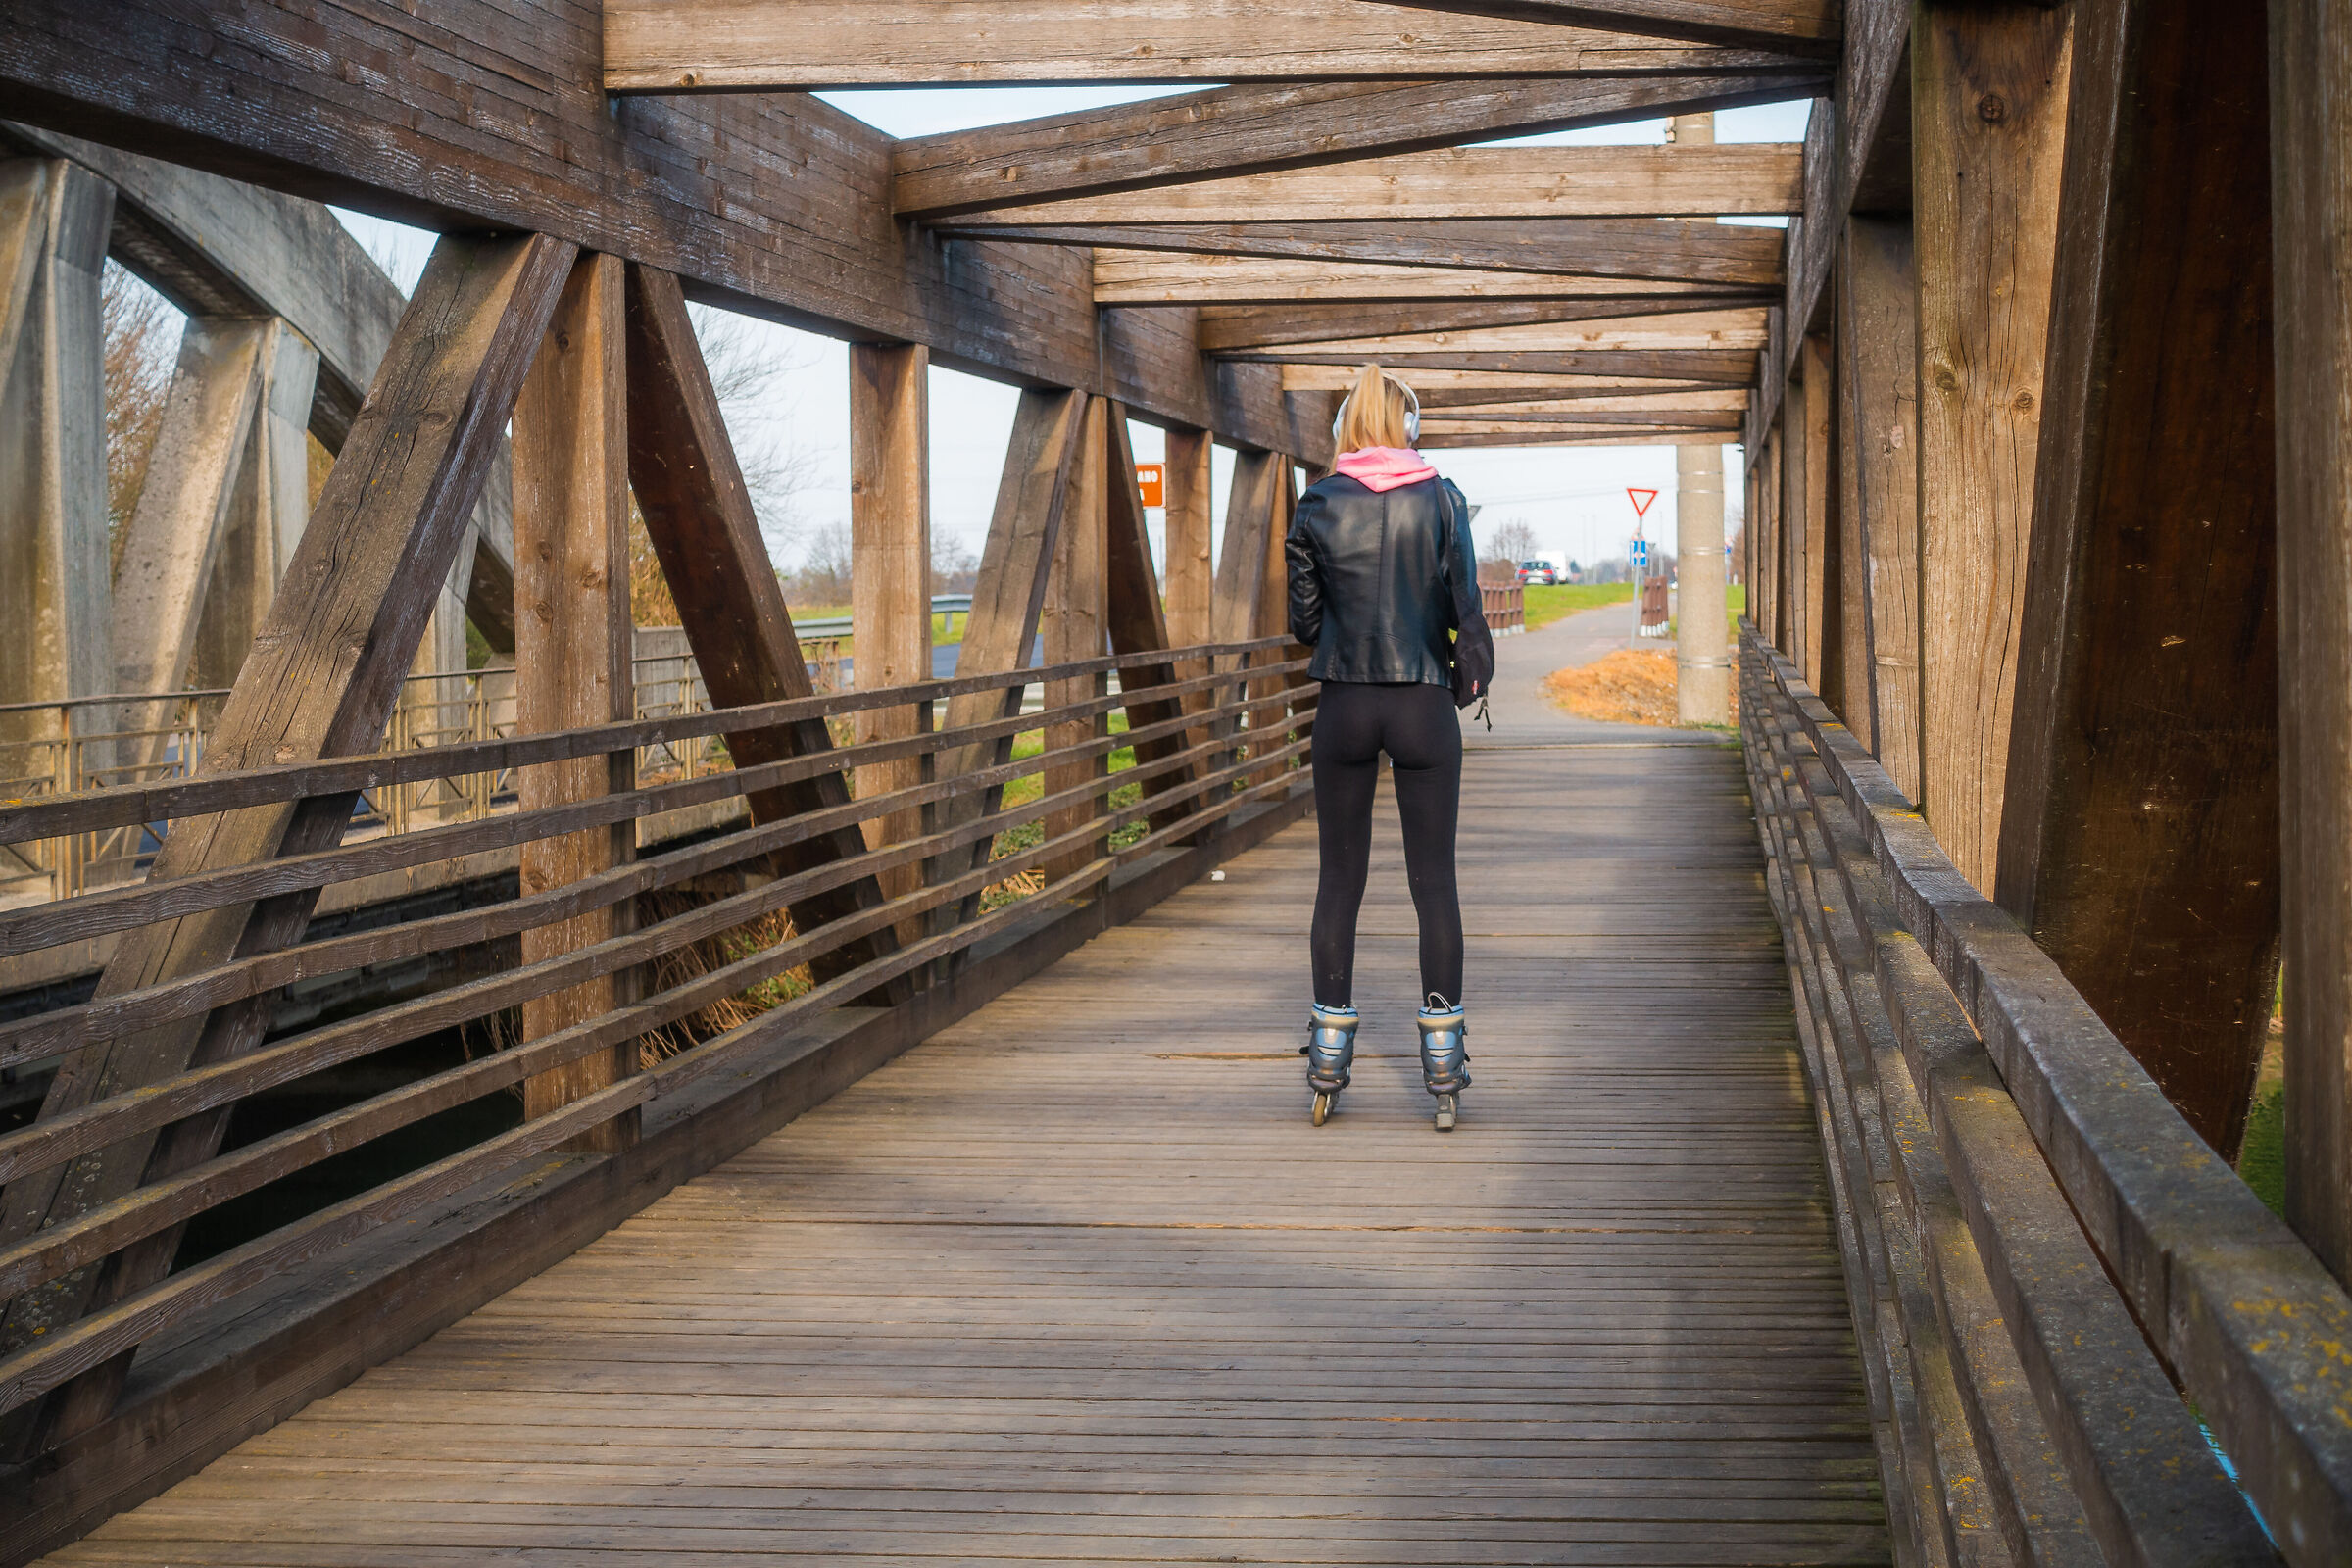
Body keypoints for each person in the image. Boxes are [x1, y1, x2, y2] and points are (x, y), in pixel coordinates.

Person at [1285, 364, 1493, 1132]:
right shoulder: (1442, 498)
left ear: (1344, 426)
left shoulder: (1317, 501)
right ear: (1408, 425)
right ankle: (1442, 1068)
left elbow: (1305, 624)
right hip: (1421, 704)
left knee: (1339, 881)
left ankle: (1328, 1059)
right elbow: (1463, 607)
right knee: (1433, 884)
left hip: (1343, 703)